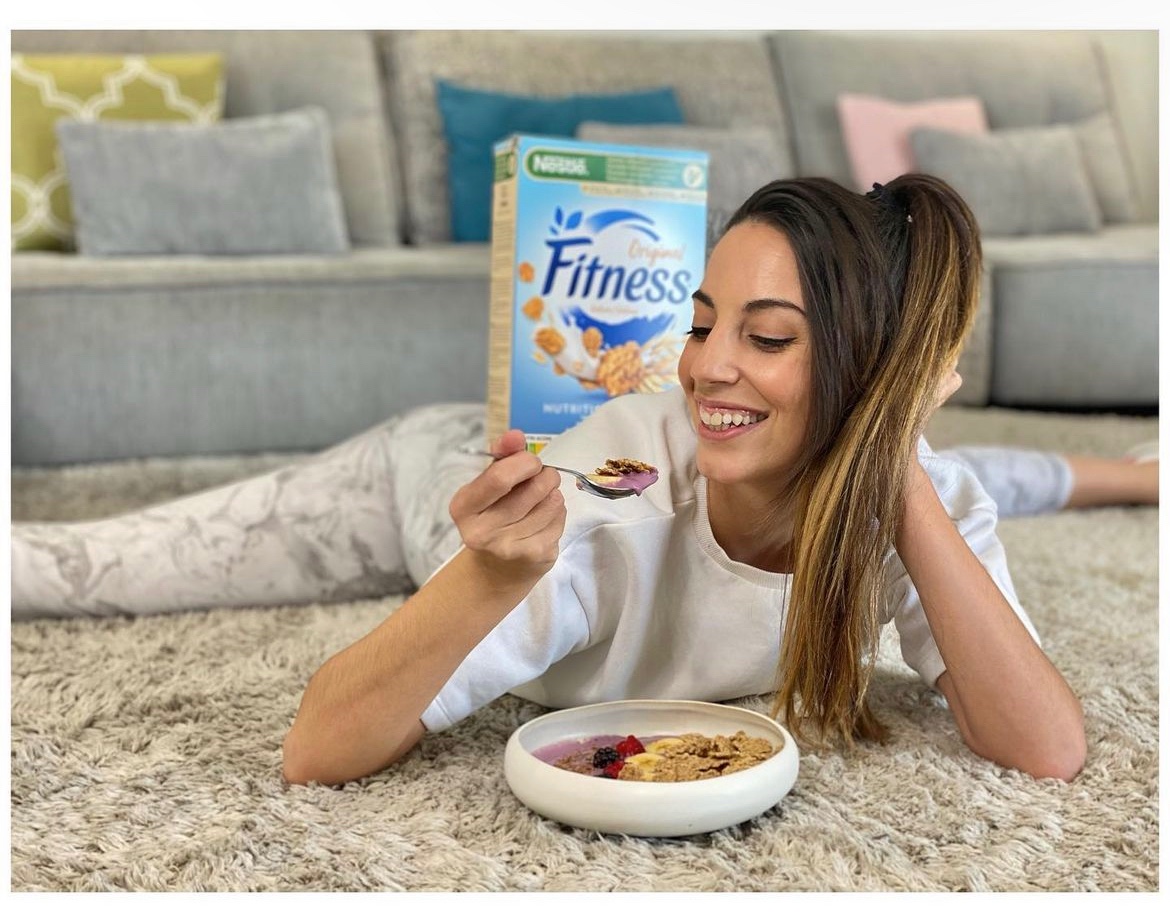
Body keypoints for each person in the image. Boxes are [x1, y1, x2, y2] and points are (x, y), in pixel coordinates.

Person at [10, 176, 1156, 787]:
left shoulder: (913, 486)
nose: (705, 365)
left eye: (765, 337)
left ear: (879, 377)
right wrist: (489, 575)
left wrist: (892, 446)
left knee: (943, 475)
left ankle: (1130, 474)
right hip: (433, 476)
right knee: (77, 569)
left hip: (852, 442)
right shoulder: (607, 510)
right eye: (702, 324)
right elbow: (315, 751)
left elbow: (1045, 749)